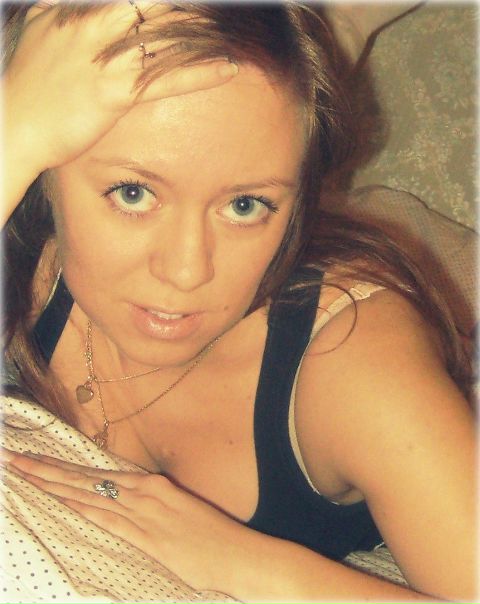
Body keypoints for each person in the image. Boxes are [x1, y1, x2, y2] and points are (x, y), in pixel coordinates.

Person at [1, 2, 476, 601]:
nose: (186, 272)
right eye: (133, 193)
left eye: (245, 205)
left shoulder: (358, 364)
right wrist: (14, 134)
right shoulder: (30, 253)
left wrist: (250, 565)